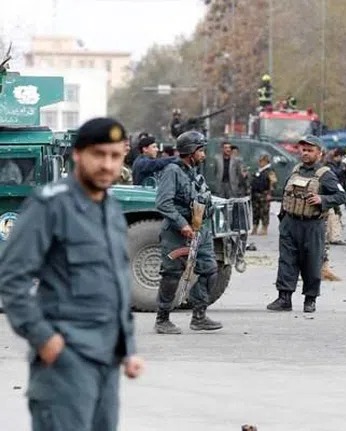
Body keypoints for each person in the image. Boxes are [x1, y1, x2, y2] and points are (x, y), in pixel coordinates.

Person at [0, 117, 144, 431]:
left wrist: (127, 347)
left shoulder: (111, 210)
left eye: (115, 156)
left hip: (107, 361)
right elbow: (11, 279)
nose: (107, 165)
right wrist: (44, 339)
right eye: (98, 154)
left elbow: (117, 282)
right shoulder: (49, 205)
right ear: (77, 154)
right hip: (65, 362)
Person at [154, 131, 223, 334]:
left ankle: (199, 316)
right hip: (177, 233)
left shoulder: (195, 173)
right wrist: (182, 224)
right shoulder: (172, 171)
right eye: (201, 151)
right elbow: (163, 203)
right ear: (191, 151)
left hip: (200, 231)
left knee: (210, 270)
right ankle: (162, 319)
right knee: (172, 274)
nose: (204, 155)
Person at [266, 136, 346, 313]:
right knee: (286, 261)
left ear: (319, 153)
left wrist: (322, 199)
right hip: (290, 223)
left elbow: (341, 196)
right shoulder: (295, 170)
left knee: (312, 262)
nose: (305, 153)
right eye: (303, 150)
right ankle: (284, 298)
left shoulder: (325, 174)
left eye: (310, 150)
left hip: (312, 225)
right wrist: (283, 220)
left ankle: (310, 299)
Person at [250, 153, 277, 235]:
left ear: (266, 161)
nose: (260, 162)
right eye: (260, 161)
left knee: (264, 212)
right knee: (255, 212)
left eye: (262, 161)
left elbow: (273, 182)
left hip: (264, 194)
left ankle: (264, 228)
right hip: (255, 194)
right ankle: (255, 227)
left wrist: (270, 193)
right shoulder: (258, 170)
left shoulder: (269, 171)